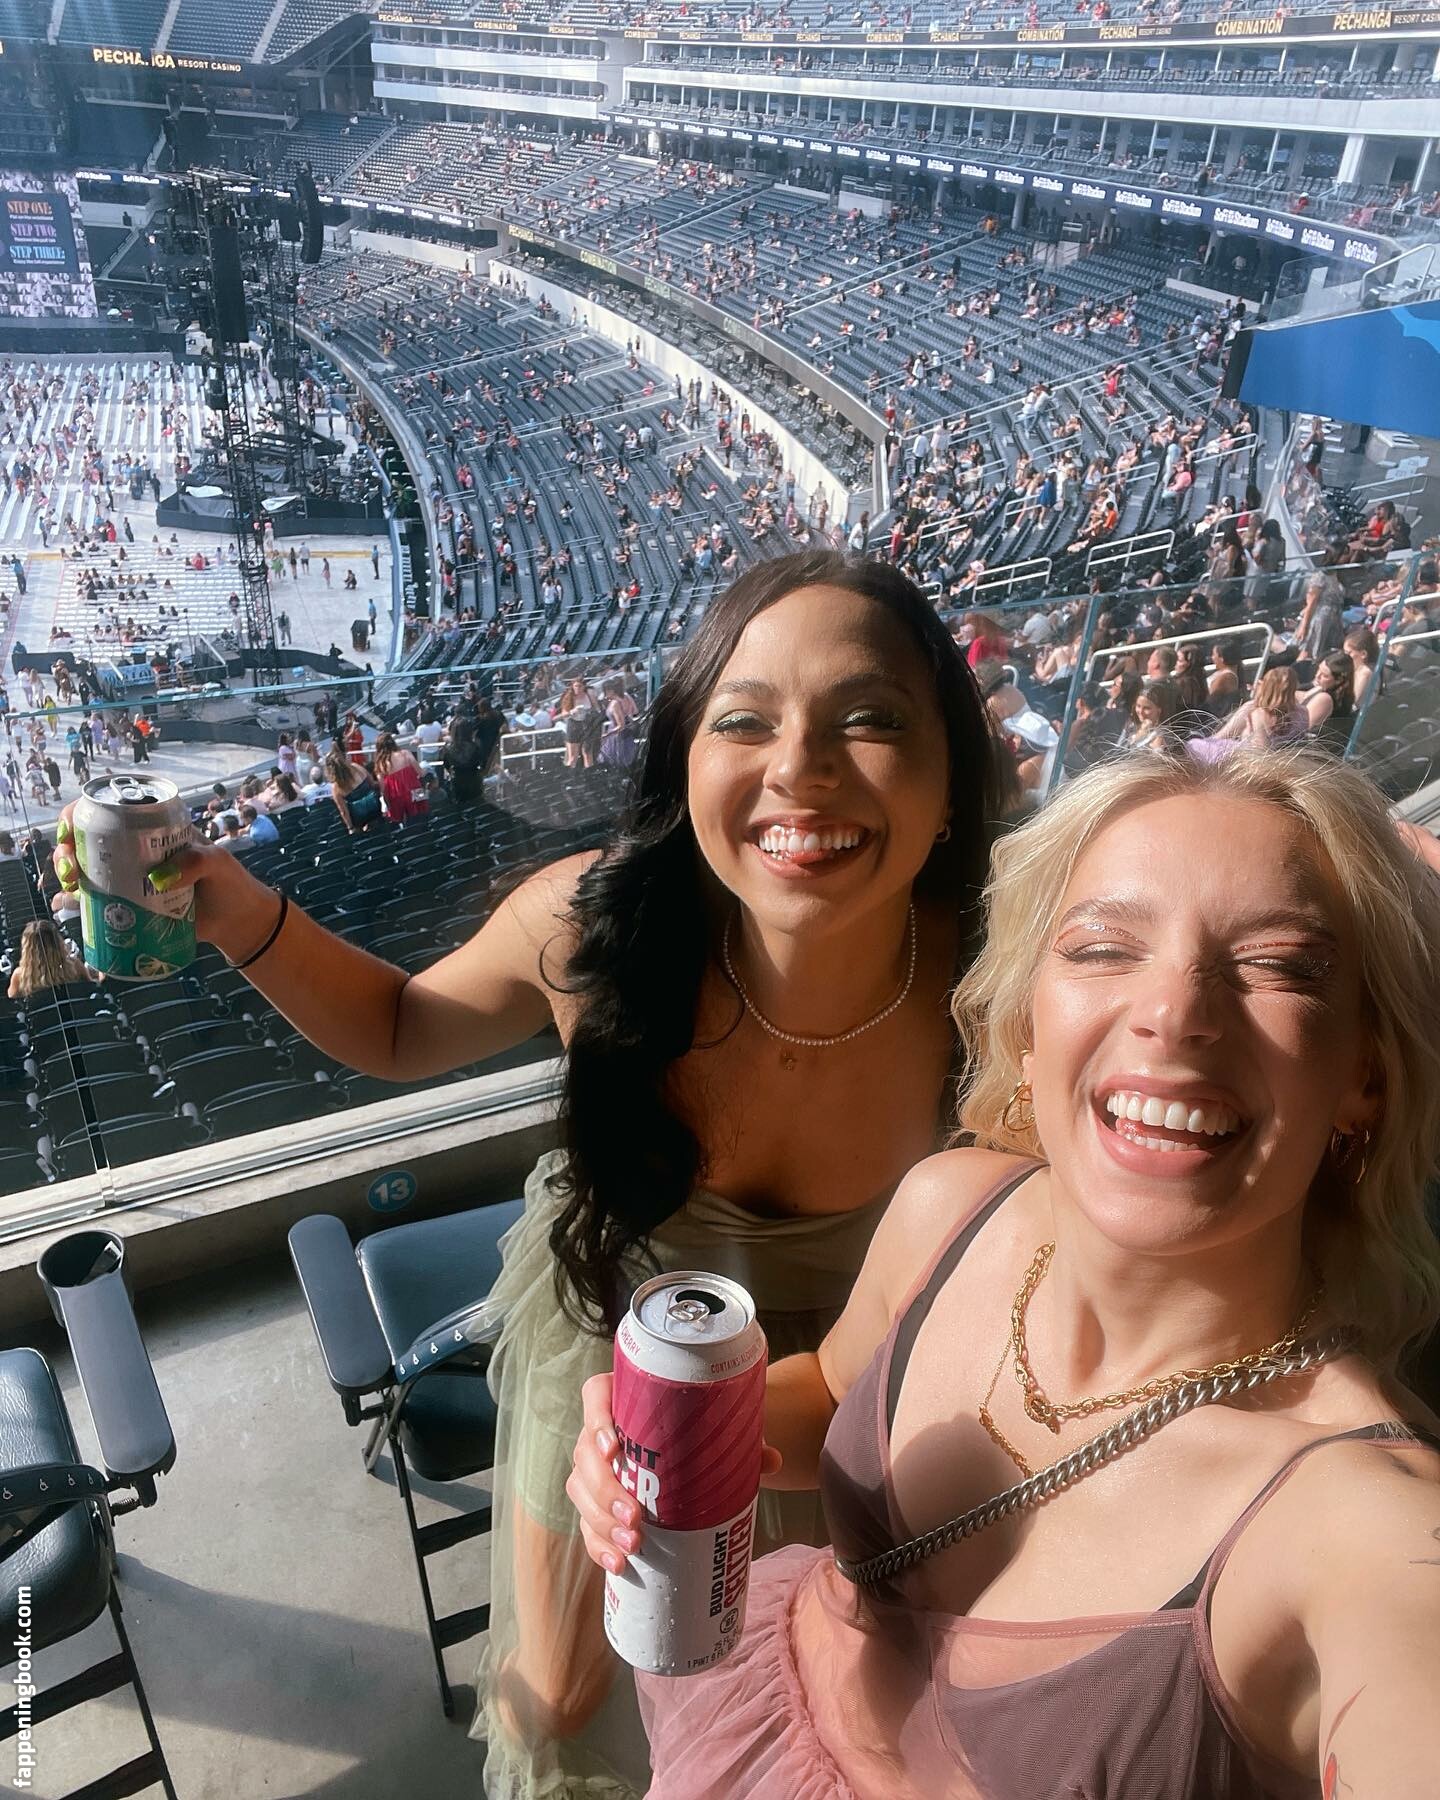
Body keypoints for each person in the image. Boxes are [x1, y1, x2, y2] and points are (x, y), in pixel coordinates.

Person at [56, 553, 1006, 1800]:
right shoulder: (592, 930)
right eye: (745, 721)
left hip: (871, 1377)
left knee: (819, 1696)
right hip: (616, 1327)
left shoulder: (1006, 993)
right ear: (684, 765)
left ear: (952, 778)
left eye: (868, 718)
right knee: (563, 1691)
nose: (801, 767)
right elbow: (402, 1025)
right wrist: (238, 915)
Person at [573, 749, 1440, 1800]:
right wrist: (660, 1445)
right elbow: (835, 1393)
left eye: (1278, 966)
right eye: (1104, 947)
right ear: (1029, 1029)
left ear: (1365, 1078)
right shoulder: (951, 1208)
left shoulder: (1367, 1530)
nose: (1175, 1012)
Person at [7, 918, 92, 998]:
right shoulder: (75, 966)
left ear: (26, 949)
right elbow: (91, 987)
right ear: (57, 942)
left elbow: (12, 998)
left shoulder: (20, 976)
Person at [324, 747, 384, 834]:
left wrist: (350, 828)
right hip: (375, 809)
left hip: (359, 819)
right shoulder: (356, 767)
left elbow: (343, 811)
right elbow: (372, 783)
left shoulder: (336, 787)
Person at [373, 732, 428, 823]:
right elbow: (421, 773)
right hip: (415, 790)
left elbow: (382, 788)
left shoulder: (380, 764)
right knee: (422, 817)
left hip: (395, 796)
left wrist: (386, 803)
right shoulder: (405, 753)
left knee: (401, 822)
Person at [557, 676, 603, 770]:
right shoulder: (569, 697)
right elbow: (563, 714)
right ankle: (570, 774)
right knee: (573, 756)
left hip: (587, 725)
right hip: (574, 725)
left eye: (580, 686)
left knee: (587, 752)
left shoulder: (588, 695)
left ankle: (589, 772)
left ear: (583, 687)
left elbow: (597, 708)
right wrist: (572, 711)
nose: (577, 688)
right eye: (576, 686)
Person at [598, 676, 639, 769]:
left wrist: (607, 734)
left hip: (616, 734)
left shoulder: (615, 704)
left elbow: (620, 724)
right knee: (626, 759)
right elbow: (635, 711)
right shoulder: (626, 697)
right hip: (627, 731)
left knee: (615, 760)